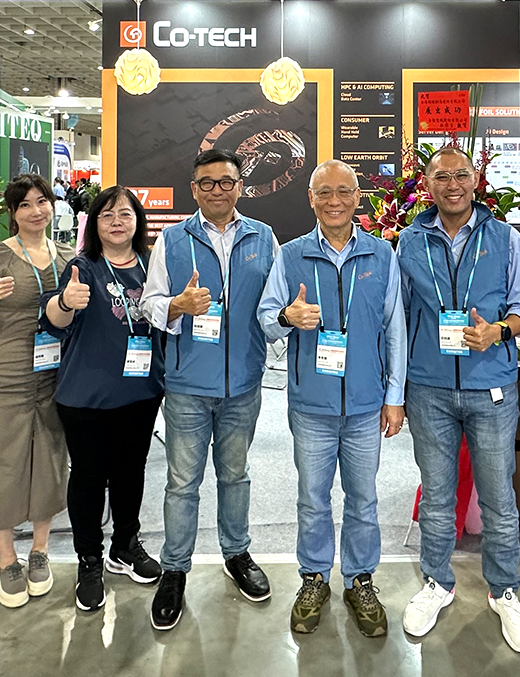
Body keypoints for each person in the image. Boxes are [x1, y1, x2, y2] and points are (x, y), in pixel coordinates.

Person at [396, 146, 520, 652]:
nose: (452, 184)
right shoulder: (409, 241)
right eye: (442, 176)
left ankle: (504, 591)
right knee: (437, 497)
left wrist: (499, 331)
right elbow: (399, 317)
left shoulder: (505, 237)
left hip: (491, 387)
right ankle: (437, 583)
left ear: (476, 180)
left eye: (461, 175)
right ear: (427, 184)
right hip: (429, 388)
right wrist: (397, 388)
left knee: (499, 498)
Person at [258, 160, 406, 637]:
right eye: (324, 192)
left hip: (365, 405)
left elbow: (395, 329)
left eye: (344, 191)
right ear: (311, 199)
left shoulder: (382, 254)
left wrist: (395, 395)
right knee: (312, 499)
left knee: (363, 499)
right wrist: (288, 316)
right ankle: (314, 578)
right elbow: (265, 320)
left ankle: (360, 579)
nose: (335, 201)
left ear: (358, 197)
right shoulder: (291, 255)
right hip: (311, 406)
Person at [140, 147, 277, 631]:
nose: (217, 190)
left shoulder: (263, 237)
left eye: (226, 182)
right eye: (207, 183)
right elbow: (150, 304)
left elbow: (273, 305)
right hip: (187, 387)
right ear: (194, 190)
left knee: (235, 475)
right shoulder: (173, 239)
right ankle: (175, 569)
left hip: (243, 384)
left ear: (240, 187)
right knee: (182, 482)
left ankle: (236, 554)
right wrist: (177, 305)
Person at [42, 186, 164, 611]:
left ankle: (124, 546)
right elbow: (55, 321)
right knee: (90, 478)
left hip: (141, 392)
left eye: (125, 214)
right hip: (87, 397)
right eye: (107, 214)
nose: (116, 222)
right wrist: (64, 301)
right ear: (94, 223)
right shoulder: (83, 267)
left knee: (131, 472)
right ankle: (90, 559)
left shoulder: (152, 265)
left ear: (137, 221)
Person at [0, 176, 73, 609]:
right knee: (6, 461)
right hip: (7, 373)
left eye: (42, 201)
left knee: (50, 457)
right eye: (25, 204)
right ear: (13, 213)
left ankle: (40, 549)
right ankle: (6, 557)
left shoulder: (67, 257)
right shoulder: (1, 256)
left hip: (55, 374)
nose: (35, 211)